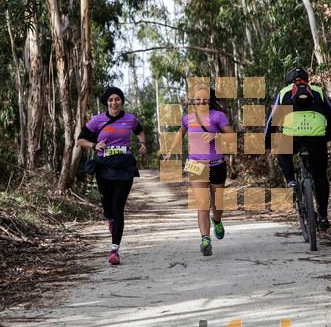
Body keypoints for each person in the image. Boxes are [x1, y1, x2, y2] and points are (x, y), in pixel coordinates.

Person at [163, 84, 235, 257]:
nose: (201, 101)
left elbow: (232, 136)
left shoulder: (218, 116)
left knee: (217, 204)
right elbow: (180, 133)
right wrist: (170, 152)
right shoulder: (188, 118)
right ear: (193, 100)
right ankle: (205, 239)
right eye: (197, 99)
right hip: (196, 166)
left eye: (204, 98)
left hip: (216, 164)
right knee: (202, 204)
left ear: (209, 99)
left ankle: (216, 220)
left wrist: (216, 135)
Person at [77, 86, 146, 264]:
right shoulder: (97, 120)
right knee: (108, 209)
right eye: (110, 100)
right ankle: (110, 218)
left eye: (117, 99)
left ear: (121, 101)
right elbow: (80, 139)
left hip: (124, 167)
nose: (114, 102)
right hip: (104, 167)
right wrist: (94, 145)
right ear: (107, 102)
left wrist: (142, 143)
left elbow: (140, 131)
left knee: (118, 209)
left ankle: (114, 250)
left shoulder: (130, 118)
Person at [264, 67, 331, 230]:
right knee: (320, 176)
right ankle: (324, 217)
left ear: (289, 82)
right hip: (316, 137)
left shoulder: (284, 93)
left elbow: (272, 121)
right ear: (307, 79)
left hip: (292, 136)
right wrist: (327, 136)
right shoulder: (318, 91)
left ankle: (291, 181)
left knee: (282, 153)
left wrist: (268, 142)